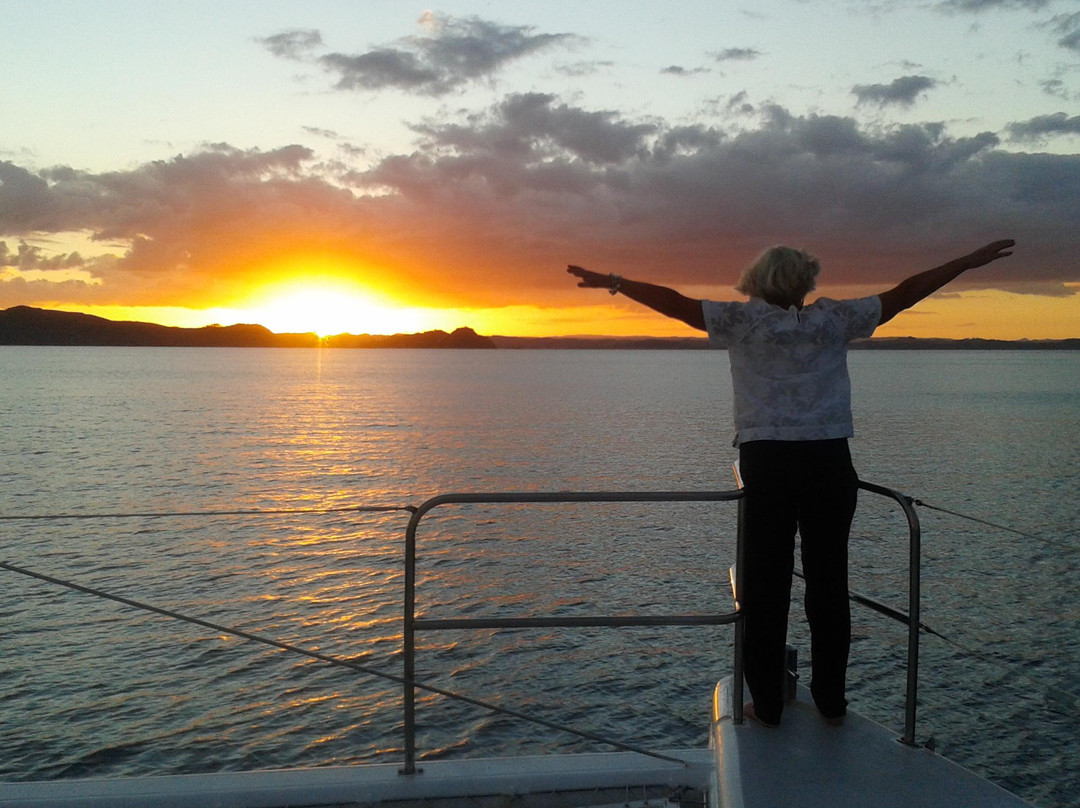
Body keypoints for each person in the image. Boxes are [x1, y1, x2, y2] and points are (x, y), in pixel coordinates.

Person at [567, 239, 1015, 728]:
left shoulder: (742, 322)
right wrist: (966, 263)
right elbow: (906, 292)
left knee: (765, 587)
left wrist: (616, 283)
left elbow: (674, 303)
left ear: (757, 281)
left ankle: (769, 704)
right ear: (805, 281)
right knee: (828, 584)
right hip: (829, 461)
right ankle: (830, 700)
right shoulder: (833, 321)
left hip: (768, 462)